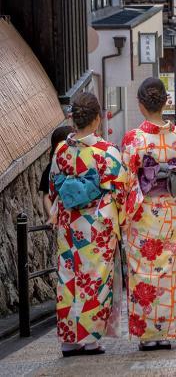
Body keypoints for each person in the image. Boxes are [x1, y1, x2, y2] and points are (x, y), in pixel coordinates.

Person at [49, 92, 127, 357]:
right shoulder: (107, 152)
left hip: (69, 225)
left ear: (74, 120)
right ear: (97, 119)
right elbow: (120, 191)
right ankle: (90, 339)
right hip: (97, 227)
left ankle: (69, 340)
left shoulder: (61, 150)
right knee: (94, 280)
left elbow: (53, 188)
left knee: (68, 279)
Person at [121, 78, 176, 351]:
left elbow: (127, 180)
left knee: (142, 272)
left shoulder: (133, 139)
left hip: (142, 213)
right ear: (166, 102)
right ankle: (166, 331)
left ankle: (147, 335)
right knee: (168, 270)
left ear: (140, 105)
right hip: (170, 211)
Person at [39, 125, 73, 220]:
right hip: (63, 216)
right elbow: (47, 195)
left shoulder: (80, 162)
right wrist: (52, 215)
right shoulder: (51, 168)